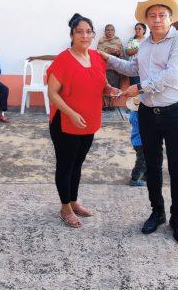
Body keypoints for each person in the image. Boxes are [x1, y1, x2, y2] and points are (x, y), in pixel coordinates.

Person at [101, 0, 178, 245]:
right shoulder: (144, 45)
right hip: (148, 113)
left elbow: (172, 75)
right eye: (152, 16)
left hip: (175, 113)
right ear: (146, 21)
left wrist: (140, 88)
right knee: (152, 166)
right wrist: (108, 59)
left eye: (162, 15)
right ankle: (157, 213)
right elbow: (134, 68)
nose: (157, 19)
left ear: (171, 18)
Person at [46, 13, 119, 229]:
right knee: (65, 165)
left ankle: (74, 201)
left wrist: (110, 89)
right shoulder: (63, 59)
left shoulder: (97, 57)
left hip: (89, 121)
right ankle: (64, 208)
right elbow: (53, 94)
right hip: (66, 122)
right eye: (79, 31)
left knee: (78, 164)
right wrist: (70, 113)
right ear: (72, 35)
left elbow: (101, 84)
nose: (85, 35)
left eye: (88, 31)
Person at [97, 24, 123, 111]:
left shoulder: (118, 40)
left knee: (114, 85)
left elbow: (122, 54)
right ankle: (105, 104)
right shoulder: (101, 41)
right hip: (105, 68)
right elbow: (98, 53)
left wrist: (118, 52)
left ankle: (111, 104)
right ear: (105, 31)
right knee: (104, 85)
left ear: (114, 31)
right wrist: (107, 51)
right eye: (108, 30)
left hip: (115, 68)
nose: (110, 31)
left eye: (112, 30)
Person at [126, 96, 147, 186]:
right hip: (141, 142)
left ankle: (146, 176)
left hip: (136, 141)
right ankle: (134, 179)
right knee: (141, 161)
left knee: (145, 159)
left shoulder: (133, 113)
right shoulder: (141, 116)